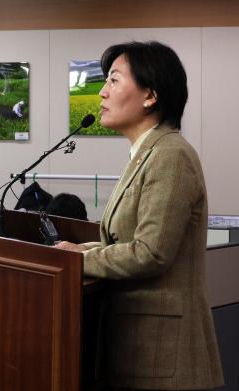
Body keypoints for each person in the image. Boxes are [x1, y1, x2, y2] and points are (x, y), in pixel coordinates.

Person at [54, 41, 223, 390]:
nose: (102, 93)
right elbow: (123, 242)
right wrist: (76, 249)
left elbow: (150, 252)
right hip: (143, 348)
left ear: (150, 96)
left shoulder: (170, 155)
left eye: (114, 80)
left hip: (165, 354)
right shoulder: (147, 153)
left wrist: (78, 261)